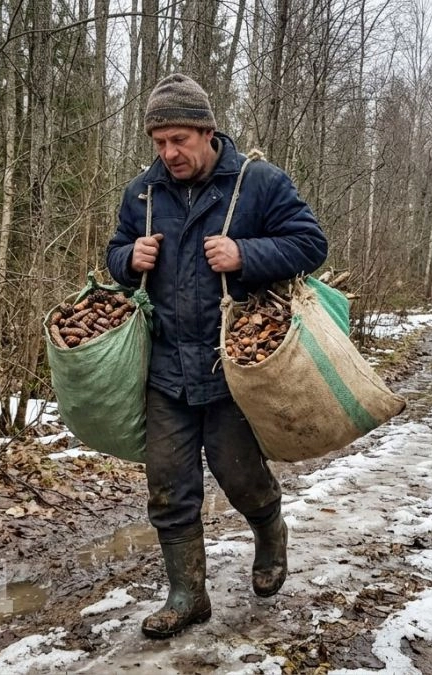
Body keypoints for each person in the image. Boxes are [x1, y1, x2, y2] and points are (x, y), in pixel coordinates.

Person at [106, 73, 329, 639]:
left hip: (235, 365)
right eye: (159, 142)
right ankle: (188, 595)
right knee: (168, 486)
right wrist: (129, 258)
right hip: (165, 369)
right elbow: (114, 254)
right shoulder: (142, 194)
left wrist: (245, 254)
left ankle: (270, 531)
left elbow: (311, 245)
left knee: (239, 475)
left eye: (178, 140)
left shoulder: (258, 182)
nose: (168, 153)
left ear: (207, 132)